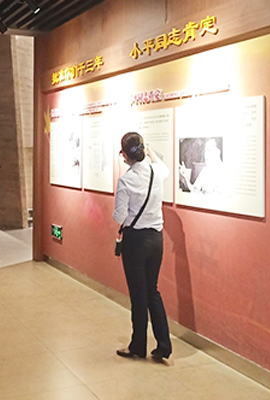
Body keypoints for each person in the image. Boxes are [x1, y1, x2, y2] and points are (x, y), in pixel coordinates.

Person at [113, 132, 172, 361]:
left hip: (135, 241)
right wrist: (150, 152)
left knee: (138, 295)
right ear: (143, 150)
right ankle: (163, 345)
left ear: (125, 155)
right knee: (152, 291)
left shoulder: (126, 181)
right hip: (156, 239)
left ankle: (138, 346)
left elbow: (119, 216)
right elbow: (166, 170)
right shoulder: (157, 172)